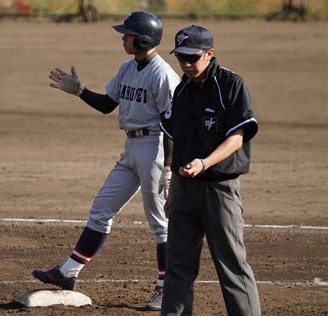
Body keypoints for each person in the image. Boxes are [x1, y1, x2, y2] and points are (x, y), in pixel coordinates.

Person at [32, 11, 180, 310]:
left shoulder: (163, 74)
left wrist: (168, 167)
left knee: (160, 223)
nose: (123, 38)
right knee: (101, 209)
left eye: (127, 34)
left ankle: (167, 289)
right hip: (132, 147)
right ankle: (67, 273)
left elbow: (172, 124)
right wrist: (81, 92)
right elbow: (107, 105)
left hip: (156, 147)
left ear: (142, 39)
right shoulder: (127, 68)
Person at [159, 25, 261, 315]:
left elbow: (237, 137)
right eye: (181, 58)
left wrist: (205, 162)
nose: (187, 65)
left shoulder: (230, 85)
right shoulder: (181, 90)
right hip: (185, 192)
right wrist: (173, 191)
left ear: (210, 53)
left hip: (219, 190)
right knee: (177, 263)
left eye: (193, 58)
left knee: (231, 264)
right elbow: (177, 141)